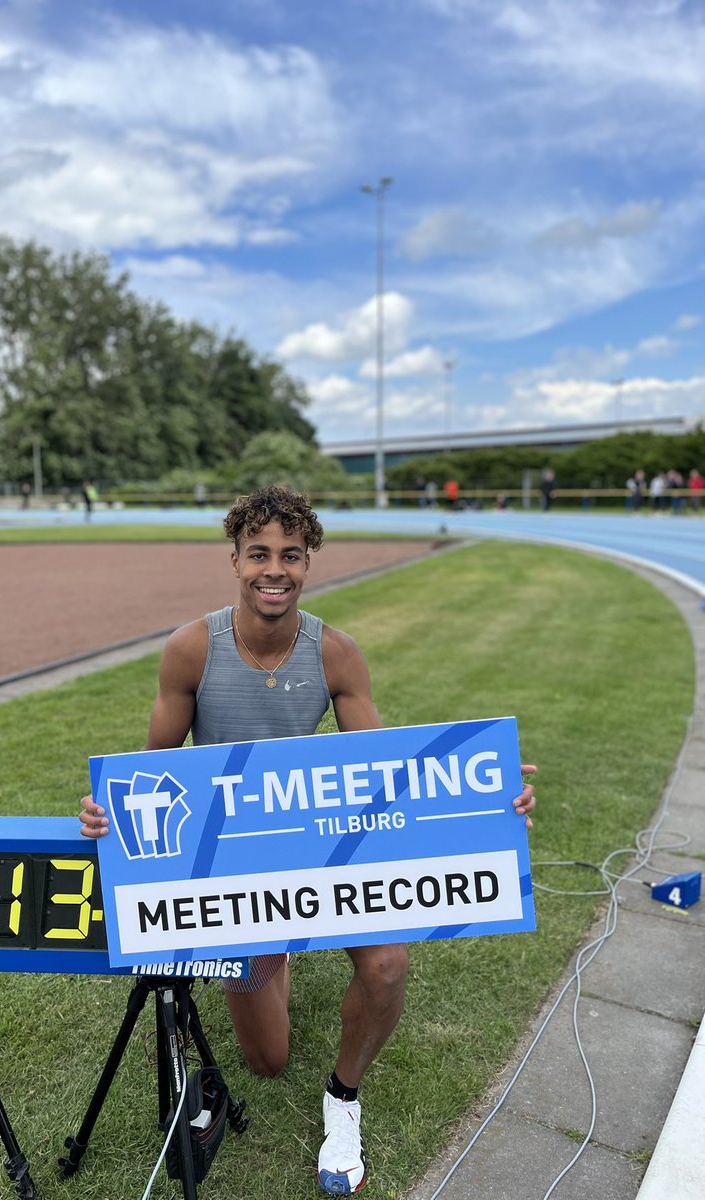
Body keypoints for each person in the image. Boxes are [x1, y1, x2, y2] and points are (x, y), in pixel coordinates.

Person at [79, 485, 537, 1195]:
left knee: (386, 966)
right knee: (265, 1060)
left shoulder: (336, 654)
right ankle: (277, 949)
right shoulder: (192, 649)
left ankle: (343, 1099)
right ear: (234, 559)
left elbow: (386, 774)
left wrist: (488, 799)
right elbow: (154, 768)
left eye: (291, 556)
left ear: (309, 563)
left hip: (316, 856)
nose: (275, 570)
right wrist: (106, 813)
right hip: (235, 869)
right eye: (259, 553)